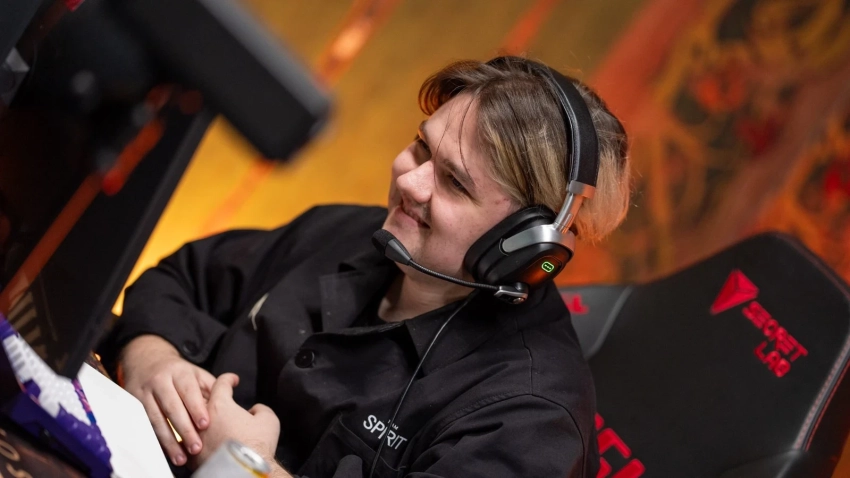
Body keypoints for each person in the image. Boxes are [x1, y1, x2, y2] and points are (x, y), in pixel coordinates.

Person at [100, 56, 630, 478]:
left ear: (521, 246)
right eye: (421, 147)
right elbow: (179, 278)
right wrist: (149, 356)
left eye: (454, 182)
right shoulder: (350, 230)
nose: (409, 182)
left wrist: (246, 468)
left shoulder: (531, 420)